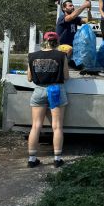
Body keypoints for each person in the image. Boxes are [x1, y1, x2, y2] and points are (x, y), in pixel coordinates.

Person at [27, 31, 69, 168]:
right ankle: (57, 159)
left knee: (36, 126)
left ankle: (32, 159)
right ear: (57, 42)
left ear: (44, 41)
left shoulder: (32, 56)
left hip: (39, 90)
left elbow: (29, 78)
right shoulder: (62, 55)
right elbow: (66, 76)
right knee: (57, 126)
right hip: (56, 90)